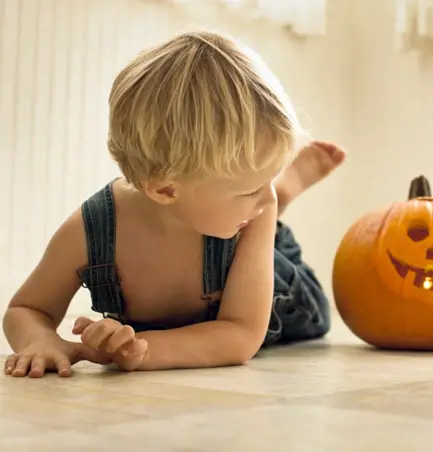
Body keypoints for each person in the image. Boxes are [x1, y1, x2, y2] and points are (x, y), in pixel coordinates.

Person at [2, 31, 346, 378]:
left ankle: (280, 202)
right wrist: (40, 340)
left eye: (266, 184)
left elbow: (240, 334)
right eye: (251, 189)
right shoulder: (92, 230)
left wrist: (142, 350)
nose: (264, 197)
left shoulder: (260, 207)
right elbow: (26, 308)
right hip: (229, 222)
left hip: (275, 290)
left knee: (315, 313)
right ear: (165, 190)